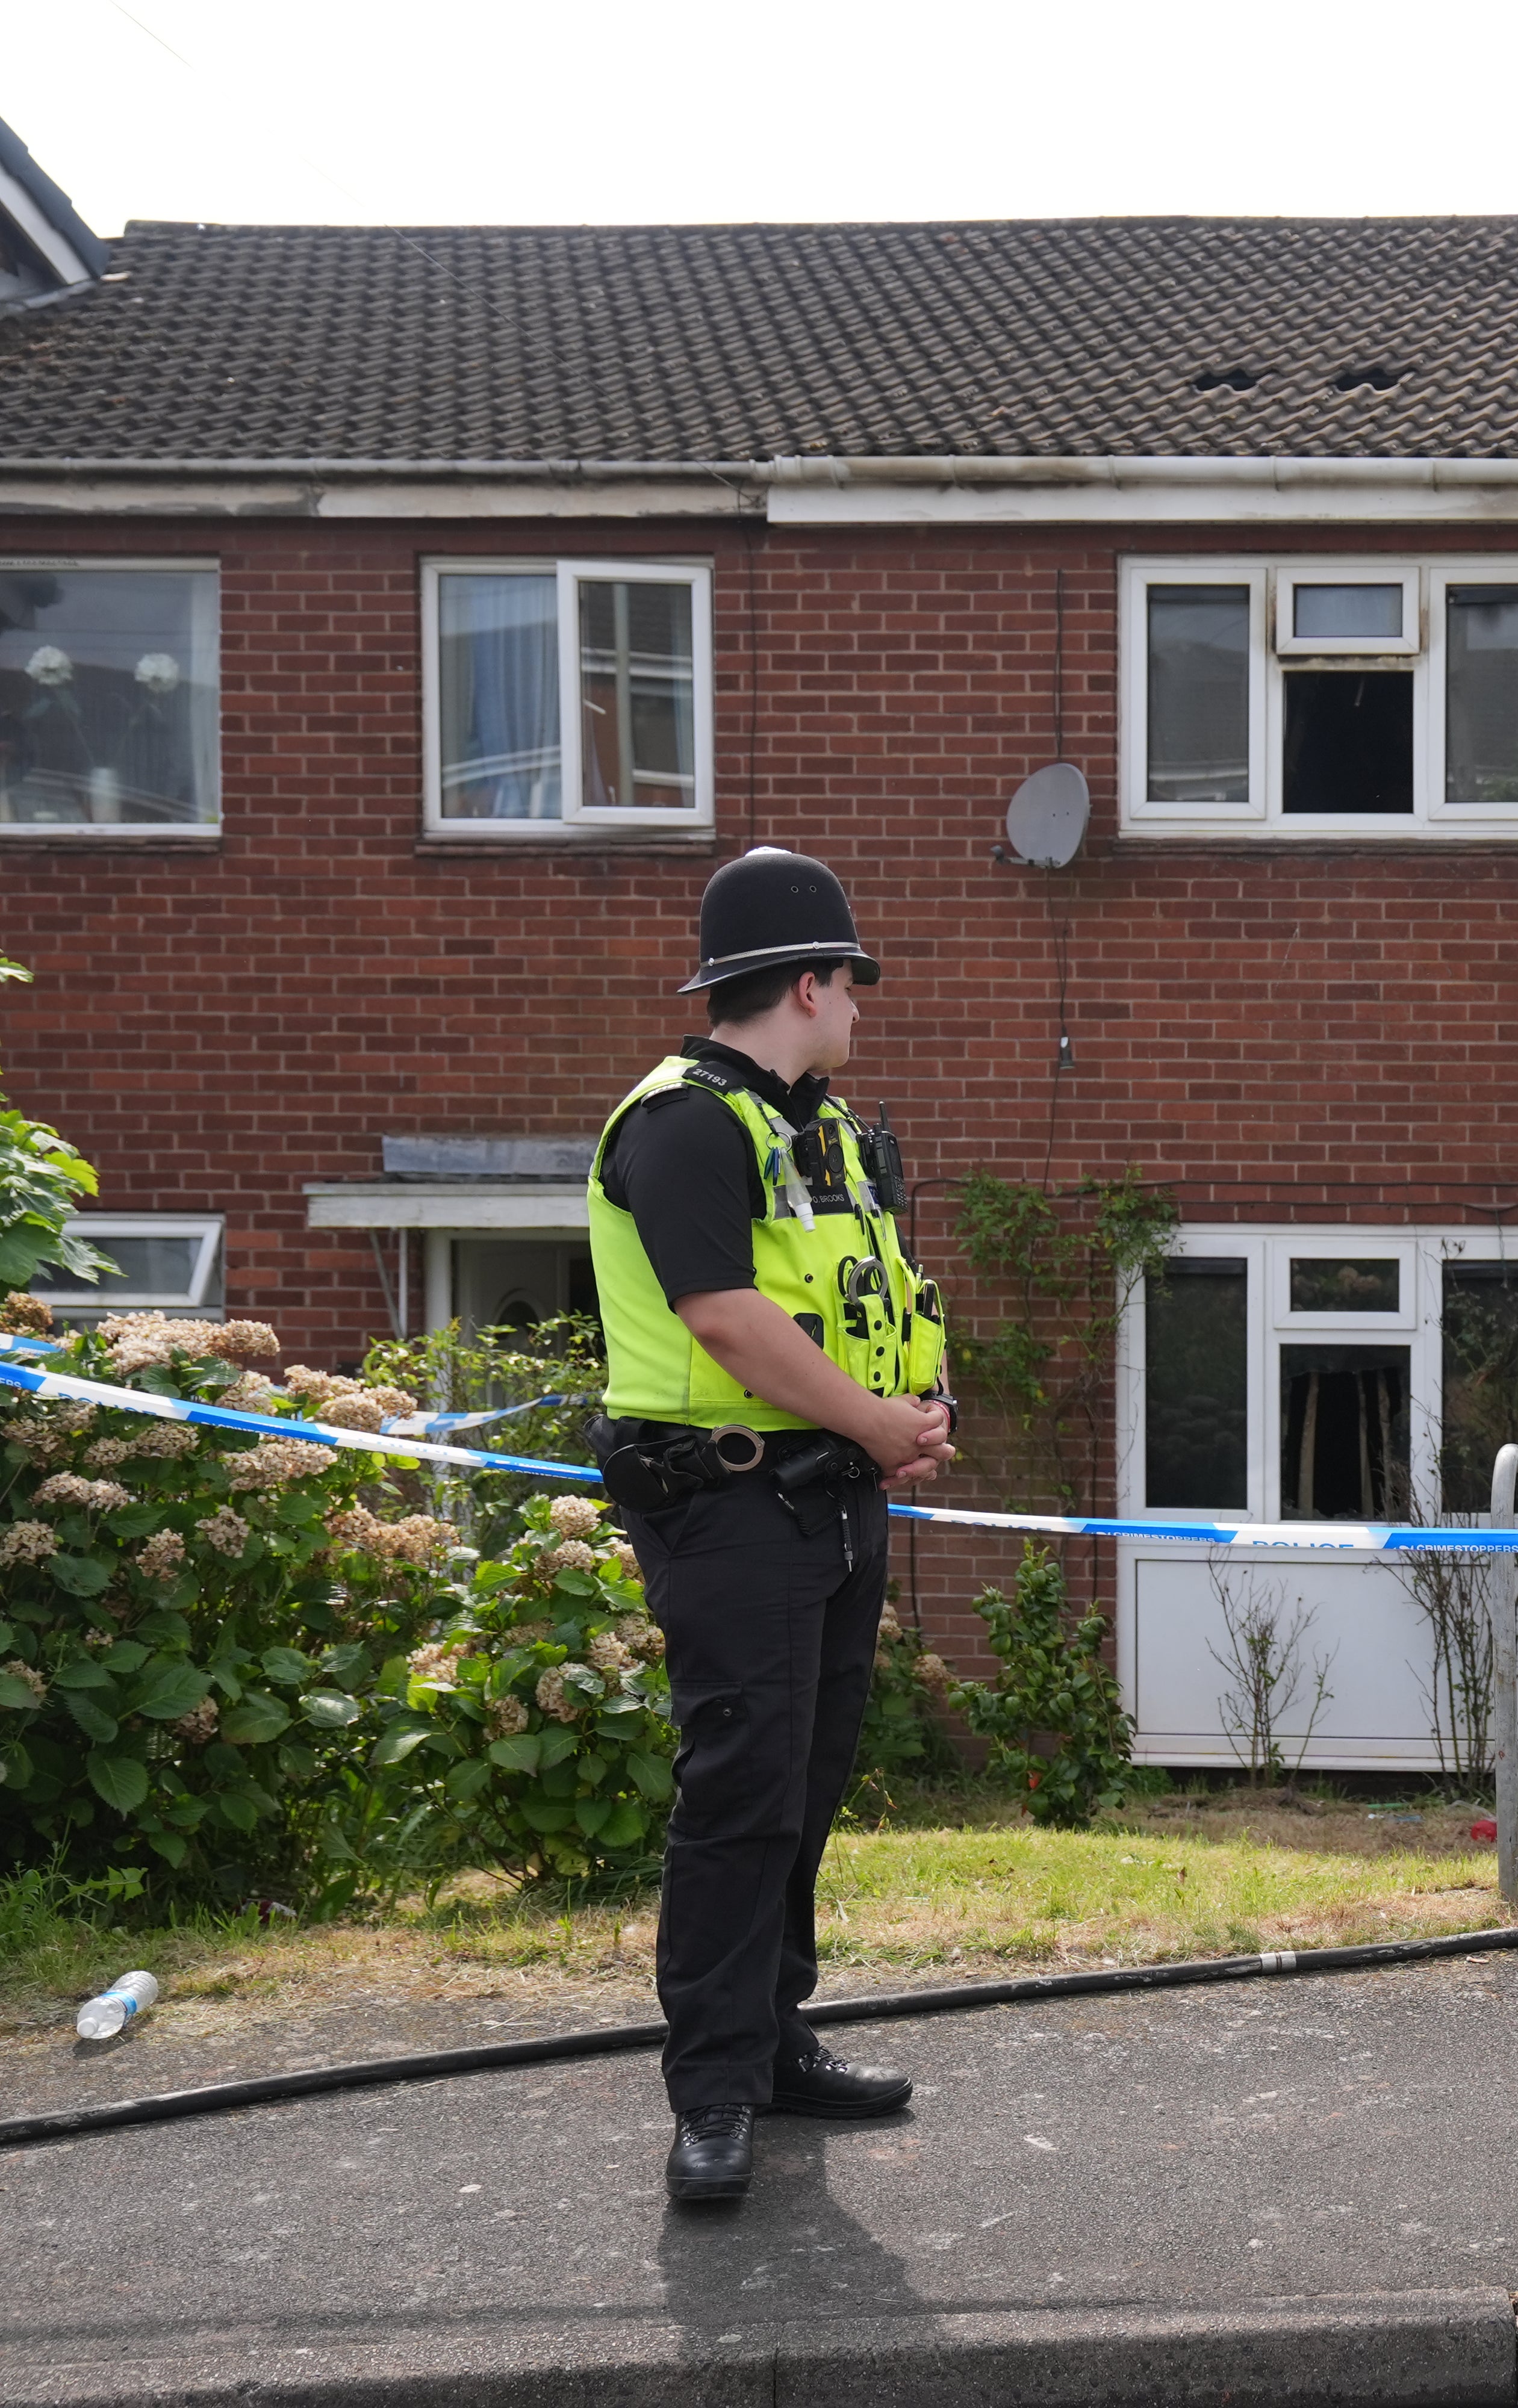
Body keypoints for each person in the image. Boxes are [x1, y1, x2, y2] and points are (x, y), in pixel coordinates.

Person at [588, 847, 958, 2205]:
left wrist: (912, 1409)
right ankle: (714, 2091)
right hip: (728, 1502)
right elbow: (725, 1318)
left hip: (833, 1502)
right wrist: (872, 1423)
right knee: (739, 1791)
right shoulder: (685, 1121)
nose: (863, 1008)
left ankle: (775, 2037)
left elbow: (871, 1297)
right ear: (806, 984)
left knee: (803, 1781)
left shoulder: (831, 1132)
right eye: (852, 984)